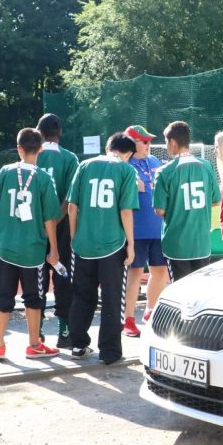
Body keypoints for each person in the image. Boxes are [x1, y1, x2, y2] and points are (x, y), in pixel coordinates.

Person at [0, 128, 62, 362]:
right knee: (34, 298)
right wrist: (54, 249)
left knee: (2, 296)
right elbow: (50, 218)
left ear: (18, 148)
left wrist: (3, 234)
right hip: (32, 250)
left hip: (6, 247)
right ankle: (33, 344)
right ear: (40, 149)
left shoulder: (5, 172)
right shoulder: (43, 178)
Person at [66, 133, 139, 364]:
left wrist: (74, 237)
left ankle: (77, 344)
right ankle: (110, 352)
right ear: (128, 153)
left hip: (83, 244)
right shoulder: (126, 170)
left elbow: (71, 207)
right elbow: (125, 211)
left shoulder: (85, 165)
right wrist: (131, 244)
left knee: (81, 295)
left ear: (108, 147)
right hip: (112, 244)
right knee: (112, 298)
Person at [153, 121, 221, 280]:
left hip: (177, 244)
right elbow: (216, 201)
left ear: (173, 142)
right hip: (201, 242)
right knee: (200, 290)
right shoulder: (206, 166)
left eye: (166, 141)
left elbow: (159, 210)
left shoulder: (164, 172)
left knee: (180, 292)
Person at [36, 113, 79, 348]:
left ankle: (38, 331)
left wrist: (42, 224)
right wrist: (56, 219)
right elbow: (71, 200)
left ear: (39, 132)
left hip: (35, 228)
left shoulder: (33, 155)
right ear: (60, 132)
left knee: (37, 278)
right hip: (62, 227)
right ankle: (64, 332)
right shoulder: (71, 159)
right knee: (63, 276)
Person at [122, 125, 167, 338]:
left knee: (161, 271)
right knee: (135, 273)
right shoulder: (124, 165)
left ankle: (150, 311)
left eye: (149, 141)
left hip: (158, 229)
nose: (149, 145)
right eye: (144, 141)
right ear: (131, 143)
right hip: (136, 231)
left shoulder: (155, 163)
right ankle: (128, 319)